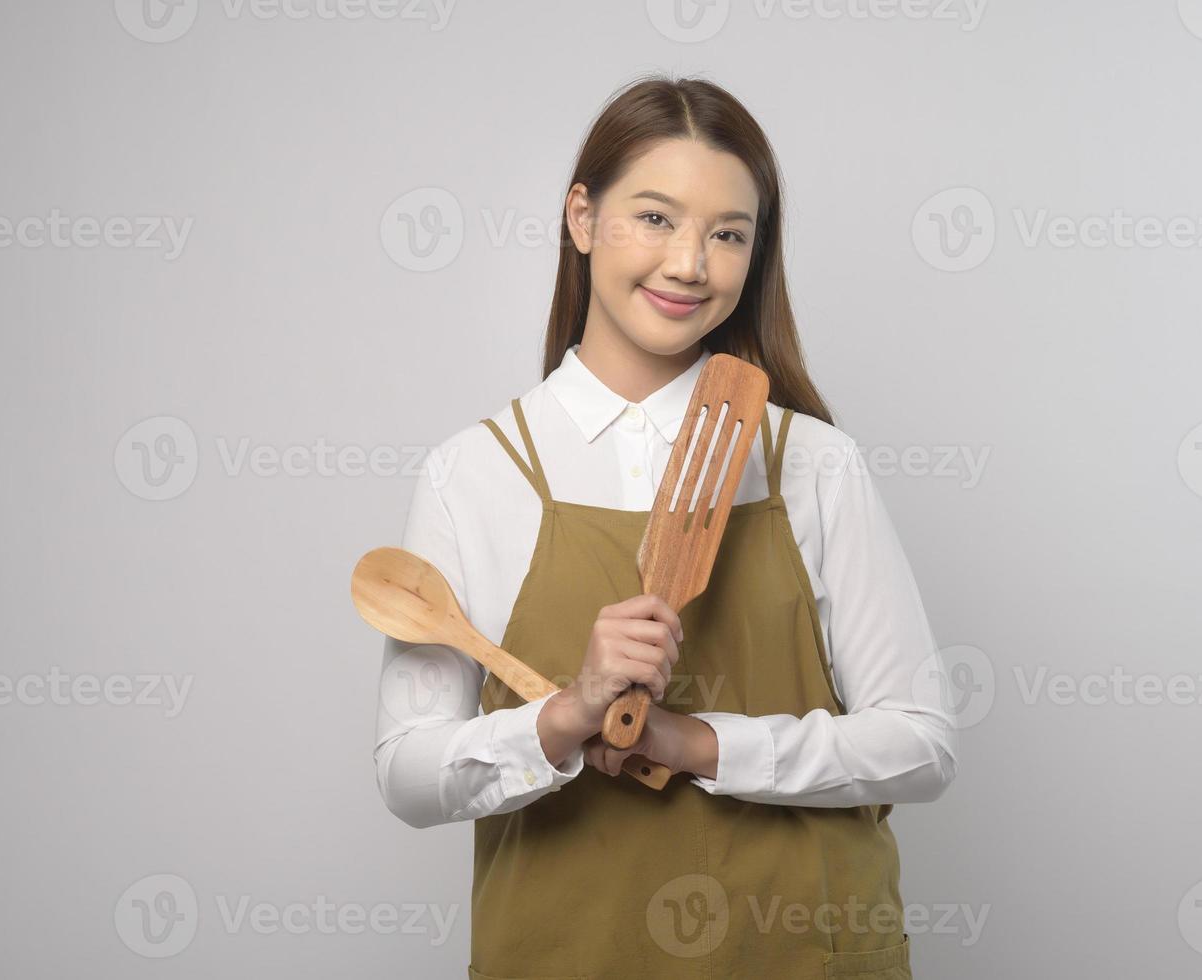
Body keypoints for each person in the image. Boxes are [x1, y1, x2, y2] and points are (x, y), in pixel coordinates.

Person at [372, 73, 958, 979]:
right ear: (581, 219)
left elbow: (919, 745)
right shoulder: (473, 473)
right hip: (566, 953)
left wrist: (694, 742)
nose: (690, 263)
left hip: (803, 954)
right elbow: (408, 777)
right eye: (654, 218)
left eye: (728, 234)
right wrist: (565, 716)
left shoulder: (811, 461)